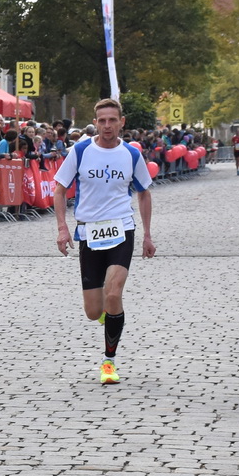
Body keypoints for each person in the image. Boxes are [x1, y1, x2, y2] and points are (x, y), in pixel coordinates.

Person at [52, 98, 156, 385]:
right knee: (93, 311)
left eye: (113, 120)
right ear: (95, 123)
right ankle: (108, 316)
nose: (107, 125)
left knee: (114, 294)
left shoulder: (132, 154)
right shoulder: (81, 151)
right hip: (89, 233)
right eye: (102, 121)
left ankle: (108, 362)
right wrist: (63, 228)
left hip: (122, 229)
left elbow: (144, 193)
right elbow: (59, 190)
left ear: (121, 122)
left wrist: (147, 234)